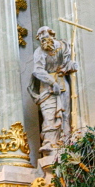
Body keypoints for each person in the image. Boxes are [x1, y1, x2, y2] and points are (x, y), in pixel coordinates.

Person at [29, 26, 77, 158]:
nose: (43, 40)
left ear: (52, 35)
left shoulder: (64, 46)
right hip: (46, 86)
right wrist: (52, 82)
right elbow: (37, 70)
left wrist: (70, 66)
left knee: (64, 113)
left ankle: (65, 141)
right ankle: (50, 142)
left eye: (45, 37)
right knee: (49, 114)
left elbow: (68, 64)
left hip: (62, 82)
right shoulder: (39, 52)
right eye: (40, 39)